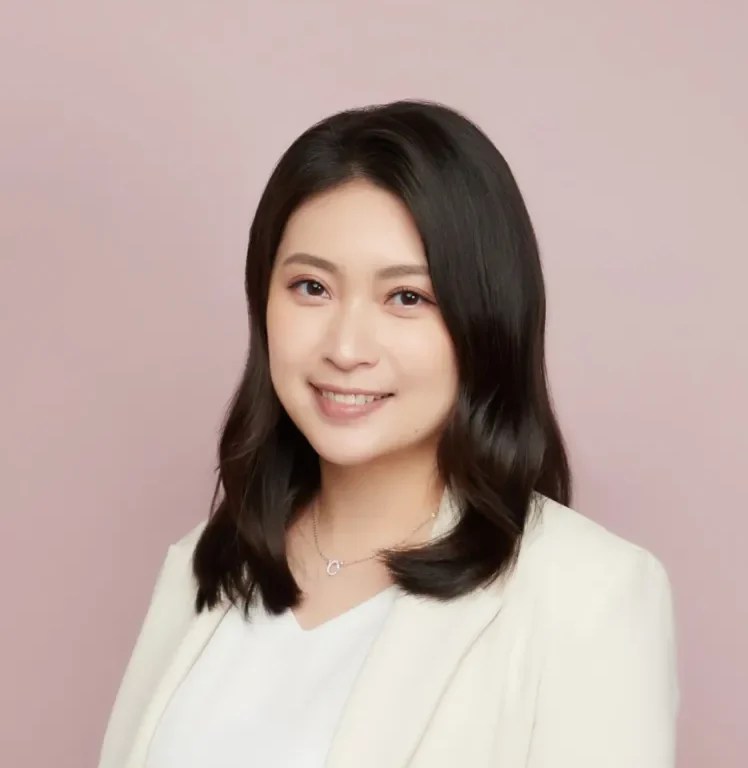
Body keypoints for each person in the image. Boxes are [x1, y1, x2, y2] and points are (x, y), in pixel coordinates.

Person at [98, 99, 679, 768]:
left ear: (487, 320)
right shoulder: (202, 564)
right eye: (311, 287)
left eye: (407, 297)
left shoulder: (588, 593)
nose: (346, 348)